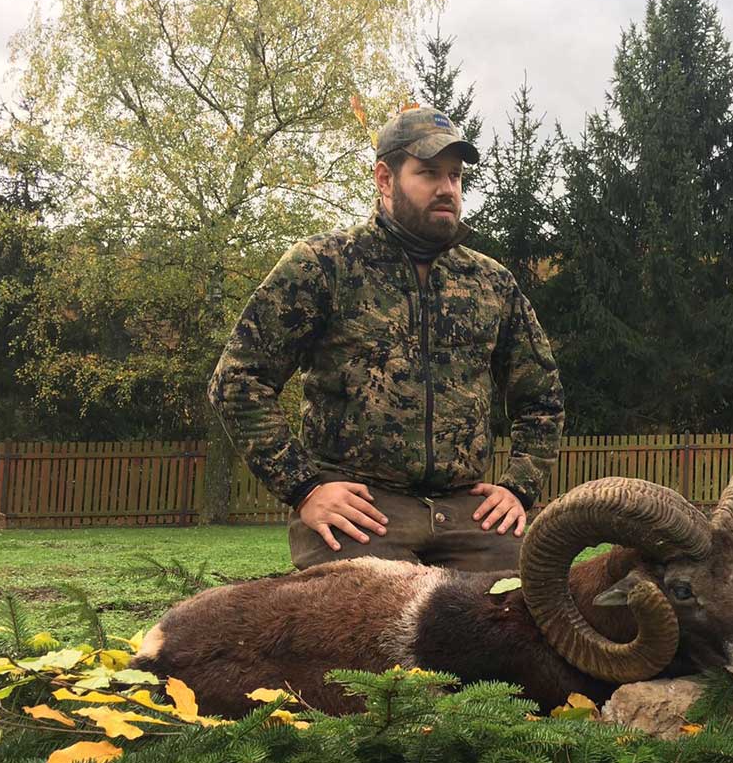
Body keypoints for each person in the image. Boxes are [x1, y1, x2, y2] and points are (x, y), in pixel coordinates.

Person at [208, 105, 564, 572]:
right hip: (360, 509)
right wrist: (305, 489)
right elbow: (238, 380)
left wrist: (519, 486)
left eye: (455, 176)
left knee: (527, 605)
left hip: (467, 511)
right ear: (385, 179)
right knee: (369, 612)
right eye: (429, 173)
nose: (447, 188)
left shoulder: (490, 282)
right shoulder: (325, 265)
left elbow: (542, 397)